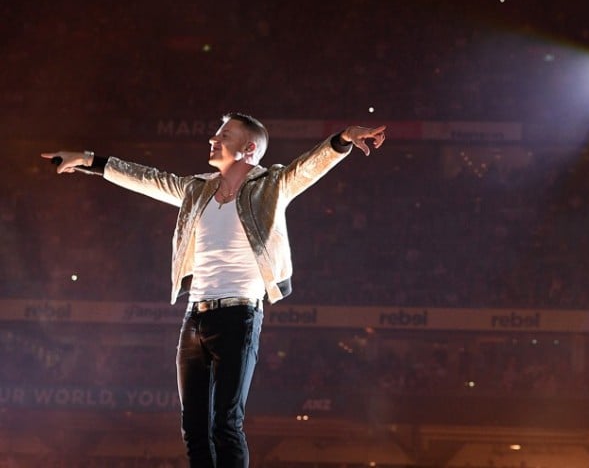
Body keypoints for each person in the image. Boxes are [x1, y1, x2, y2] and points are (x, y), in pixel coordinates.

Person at [41, 113, 386, 468]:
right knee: (193, 428)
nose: (213, 138)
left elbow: (310, 166)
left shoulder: (272, 185)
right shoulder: (196, 189)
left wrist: (343, 138)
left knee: (226, 425)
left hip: (240, 317)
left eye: (224, 134)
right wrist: (86, 159)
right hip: (194, 319)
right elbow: (146, 178)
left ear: (249, 148)